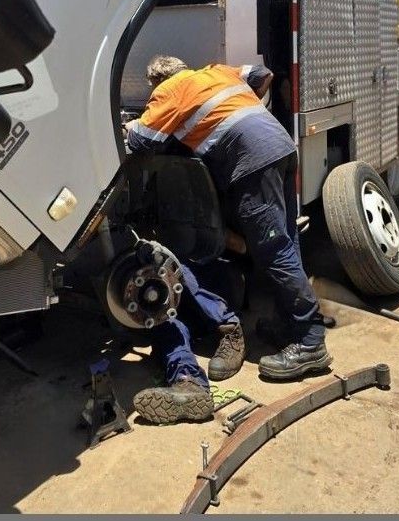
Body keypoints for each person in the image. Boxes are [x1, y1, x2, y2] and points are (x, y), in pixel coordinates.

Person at [127, 55, 332, 381]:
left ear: (157, 81)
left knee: (273, 250)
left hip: (250, 158)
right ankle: (291, 324)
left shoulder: (169, 91)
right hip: (279, 144)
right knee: (287, 243)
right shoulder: (217, 71)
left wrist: (128, 125)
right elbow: (264, 74)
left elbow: (140, 140)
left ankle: (310, 342)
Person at [131, 255, 245, 425]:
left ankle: (232, 330)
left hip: (213, 296)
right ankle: (189, 381)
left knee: (181, 270)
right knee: (167, 325)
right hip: (180, 309)